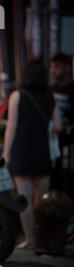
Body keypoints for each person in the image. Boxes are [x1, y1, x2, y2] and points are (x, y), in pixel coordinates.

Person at [3, 59, 62, 249]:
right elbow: (58, 126)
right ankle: (42, 239)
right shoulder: (50, 97)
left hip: (22, 153)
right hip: (42, 153)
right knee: (42, 201)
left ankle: (29, 239)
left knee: (25, 199)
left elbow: (11, 128)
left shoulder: (18, 96)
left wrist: (6, 154)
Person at [49, 53, 74, 200]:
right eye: (51, 66)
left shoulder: (72, 89)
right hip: (53, 145)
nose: (53, 70)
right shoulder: (50, 90)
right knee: (54, 185)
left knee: (69, 185)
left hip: (69, 145)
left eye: (57, 66)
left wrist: (67, 129)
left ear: (67, 67)